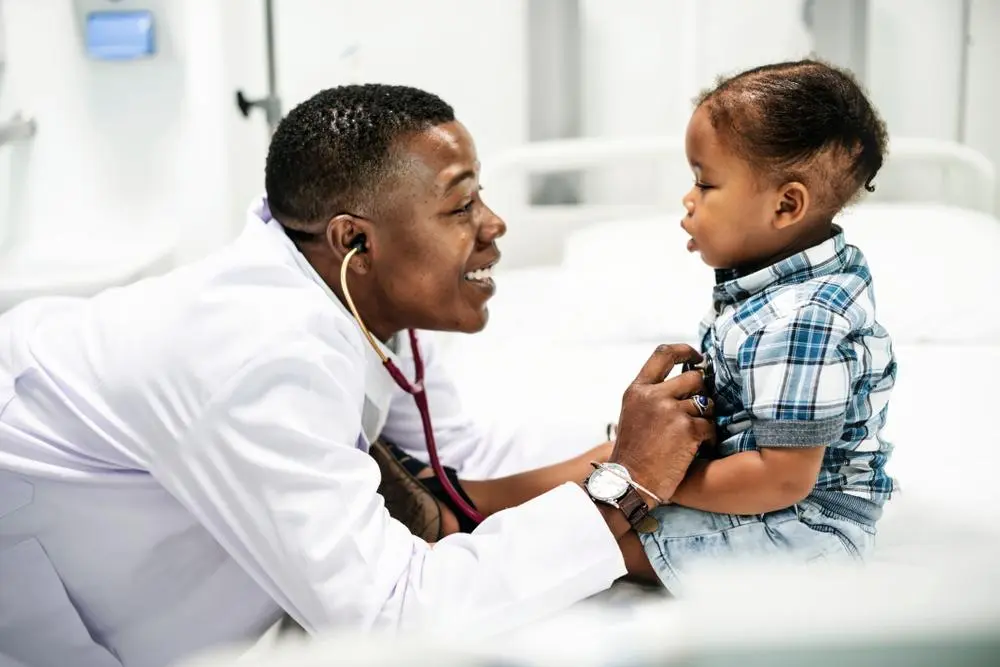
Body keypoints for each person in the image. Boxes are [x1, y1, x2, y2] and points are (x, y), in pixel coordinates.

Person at [0, 84, 713, 667]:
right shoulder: (261, 358)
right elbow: (389, 617)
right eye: (461, 204)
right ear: (355, 240)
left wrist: (648, 449)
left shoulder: (355, 295)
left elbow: (464, 464)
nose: (495, 225)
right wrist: (626, 487)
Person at [630, 60, 898, 591]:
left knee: (600, 543)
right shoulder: (784, 277)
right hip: (762, 491)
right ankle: (471, 503)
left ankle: (464, 528)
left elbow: (779, 478)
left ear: (785, 205)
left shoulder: (804, 319)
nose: (688, 199)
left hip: (807, 529)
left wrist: (652, 481)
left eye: (705, 183)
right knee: (596, 495)